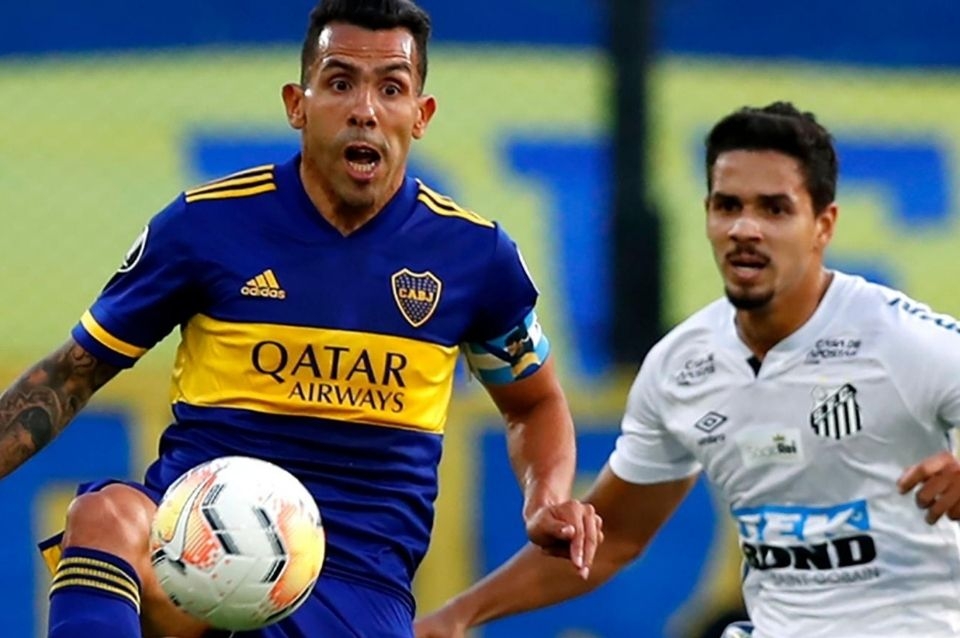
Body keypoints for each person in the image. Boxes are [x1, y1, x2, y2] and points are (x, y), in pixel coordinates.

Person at [0, 1, 602, 636]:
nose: (364, 109)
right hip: (193, 549)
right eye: (340, 83)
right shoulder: (206, 226)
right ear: (298, 104)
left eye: (391, 88)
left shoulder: (474, 257)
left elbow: (534, 402)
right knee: (105, 516)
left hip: (353, 583)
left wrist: (546, 500)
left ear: (421, 115)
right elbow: (72, 373)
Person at [414, 102, 960, 638]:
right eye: (728, 206)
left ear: (824, 225)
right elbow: (613, 538)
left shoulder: (902, 340)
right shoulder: (683, 366)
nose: (745, 228)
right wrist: (455, 617)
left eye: (774, 210)